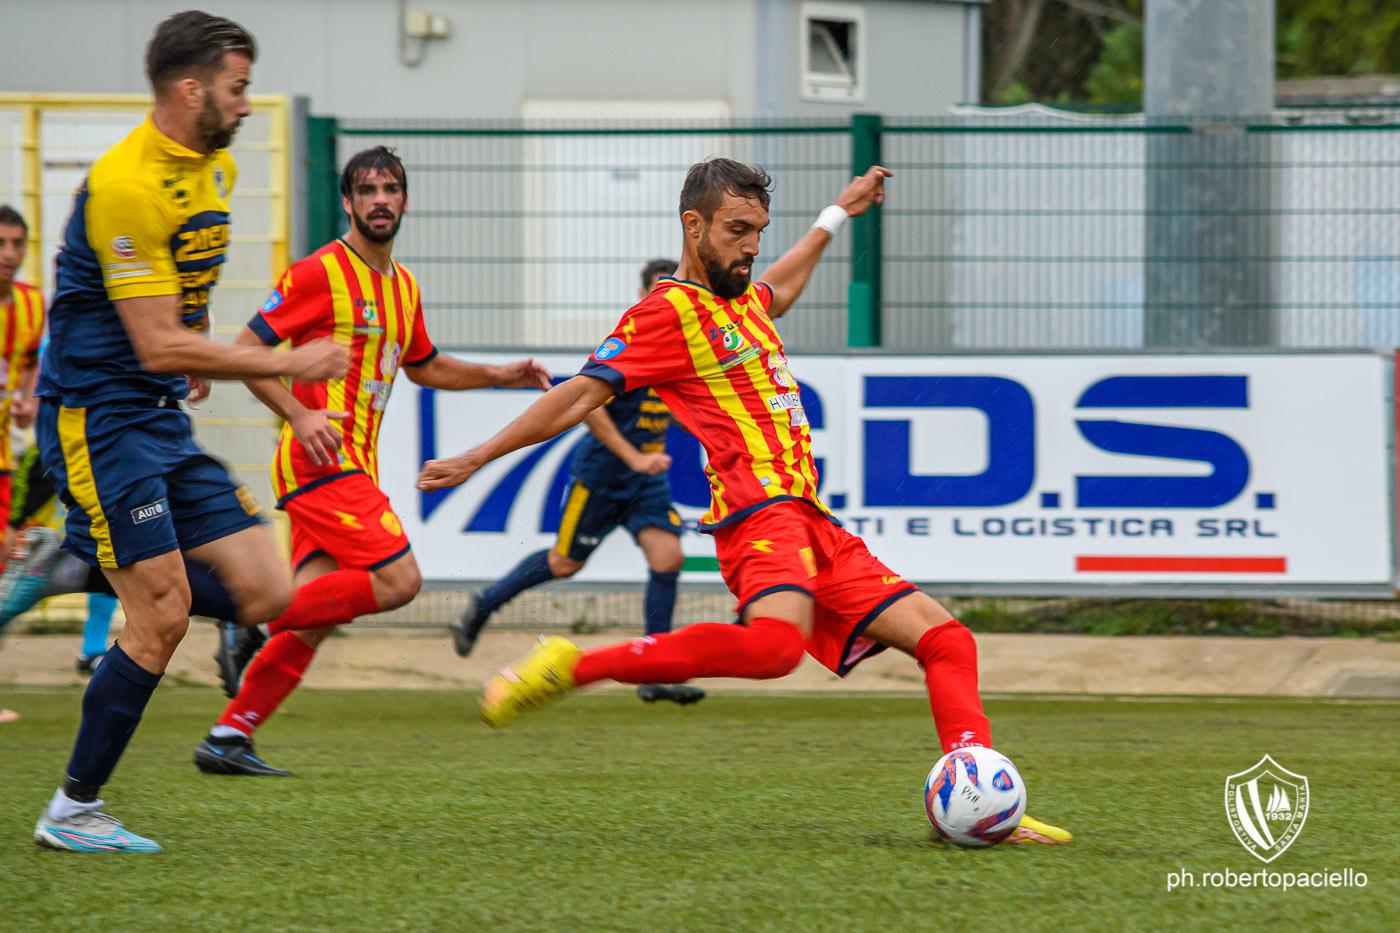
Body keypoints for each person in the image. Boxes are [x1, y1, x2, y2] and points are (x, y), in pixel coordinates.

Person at [418, 158, 1071, 845]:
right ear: (692, 225)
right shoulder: (665, 312)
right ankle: (574, 666)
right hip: (758, 514)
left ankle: (978, 795)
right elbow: (580, 393)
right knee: (773, 650)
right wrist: (476, 455)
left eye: (758, 230)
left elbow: (780, 287)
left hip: (809, 519)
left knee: (946, 639)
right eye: (737, 230)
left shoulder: (743, 303)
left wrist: (837, 213)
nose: (751, 245)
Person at [30, 11, 348, 854]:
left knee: (267, 592)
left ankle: (87, 561)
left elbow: (186, 295)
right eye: (237, 88)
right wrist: (288, 365)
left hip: (157, 416)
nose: (245, 105)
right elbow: (153, 340)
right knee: (163, 614)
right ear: (190, 88)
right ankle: (74, 810)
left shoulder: (212, 169)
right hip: (98, 419)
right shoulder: (126, 182)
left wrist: (196, 350)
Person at [192, 146, 551, 776]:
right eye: (367, 190)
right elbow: (248, 350)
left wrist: (502, 375)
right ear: (349, 203)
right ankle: (244, 617)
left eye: (390, 189)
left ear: (405, 200)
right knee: (399, 581)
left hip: (354, 467)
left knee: (312, 619)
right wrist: (300, 415)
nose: (380, 199)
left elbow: (426, 365)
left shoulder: (403, 286)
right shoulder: (317, 273)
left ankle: (228, 736)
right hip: (318, 463)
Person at [453, 258, 703, 706]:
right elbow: (589, 405)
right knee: (565, 563)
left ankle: (654, 672)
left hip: (645, 481)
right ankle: (485, 603)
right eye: (659, 289)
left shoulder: (683, 346)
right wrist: (631, 456)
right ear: (644, 295)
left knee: (668, 558)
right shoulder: (629, 340)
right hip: (603, 478)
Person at [0, 205, 45, 571]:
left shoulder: (33, 302)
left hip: (4, 448)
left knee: (5, 543)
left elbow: (31, 359)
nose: (9, 254)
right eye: (0, 243)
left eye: (17, 244)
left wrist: (29, 398)